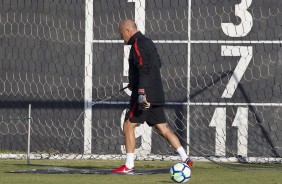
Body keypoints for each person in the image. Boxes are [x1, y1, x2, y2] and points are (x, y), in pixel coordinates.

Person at [111, 19, 193, 174]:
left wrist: (141, 92)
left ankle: (128, 166)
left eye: (122, 34)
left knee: (128, 125)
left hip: (145, 94)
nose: (122, 37)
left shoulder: (137, 44)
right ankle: (185, 158)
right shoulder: (148, 42)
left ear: (128, 30)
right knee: (162, 128)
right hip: (156, 92)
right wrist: (134, 82)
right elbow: (157, 64)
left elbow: (144, 68)